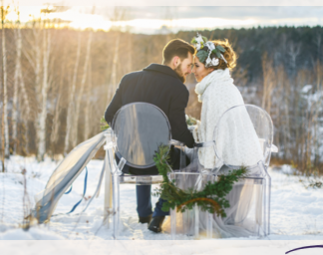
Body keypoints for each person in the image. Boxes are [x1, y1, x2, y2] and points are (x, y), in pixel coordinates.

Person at [104, 39, 196, 233]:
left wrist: (127, 135)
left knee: (143, 149)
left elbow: (109, 115)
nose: (190, 71)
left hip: (126, 159)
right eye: (189, 65)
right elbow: (179, 131)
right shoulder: (178, 89)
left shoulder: (129, 79)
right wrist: (193, 142)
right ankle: (158, 215)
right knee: (186, 162)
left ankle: (143, 213)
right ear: (176, 61)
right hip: (158, 161)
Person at [188, 33, 264, 238]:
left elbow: (212, 137)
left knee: (190, 163)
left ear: (211, 68)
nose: (192, 70)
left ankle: (193, 219)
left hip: (233, 163)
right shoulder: (226, 85)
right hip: (247, 157)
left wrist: (206, 169)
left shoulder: (214, 91)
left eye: (197, 66)